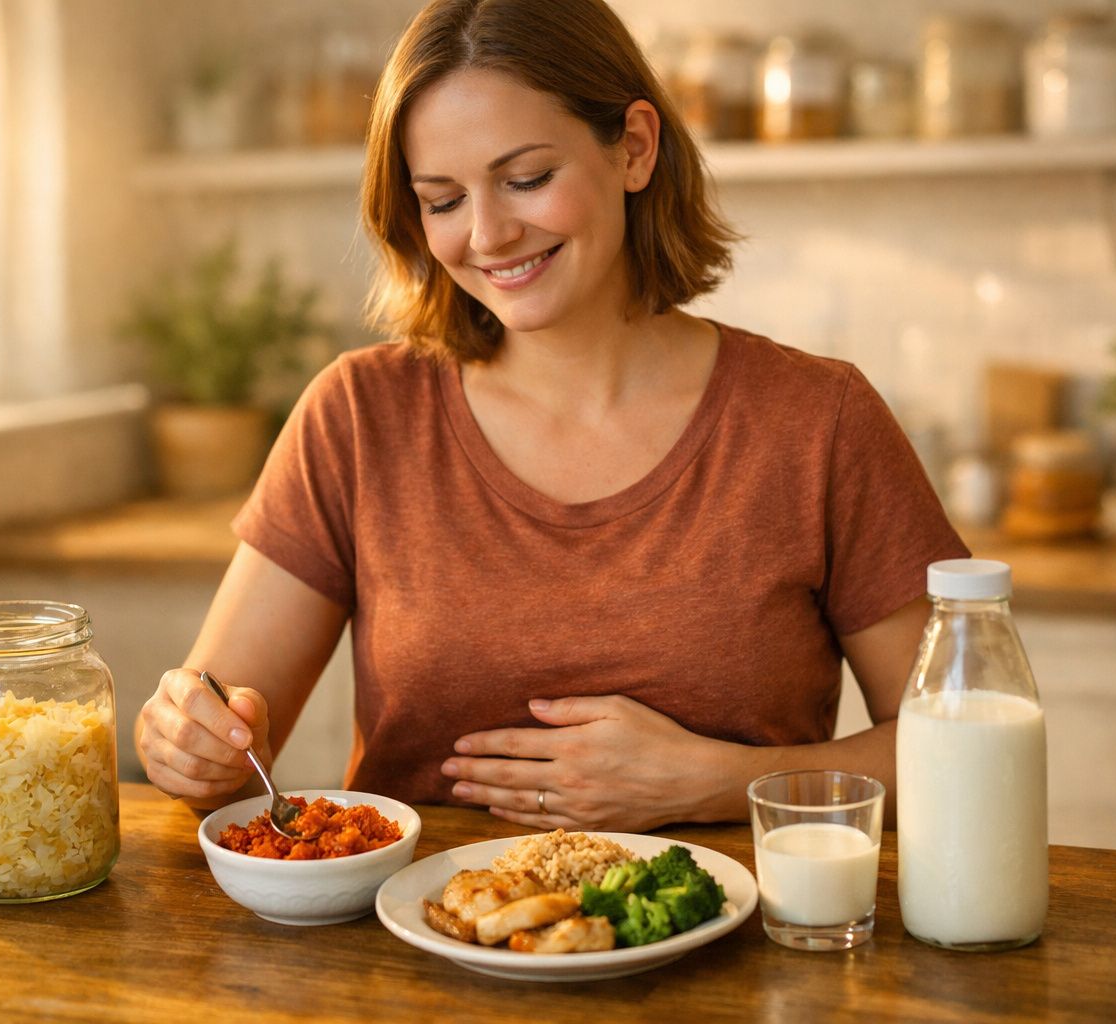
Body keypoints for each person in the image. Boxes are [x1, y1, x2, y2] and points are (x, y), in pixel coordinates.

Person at [134, 0, 968, 832]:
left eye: (527, 179)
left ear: (634, 148)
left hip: (742, 949)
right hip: (409, 951)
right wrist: (186, 744)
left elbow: (962, 747)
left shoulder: (817, 421)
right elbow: (218, 746)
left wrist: (715, 781)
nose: (488, 234)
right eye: (442, 199)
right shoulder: (358, 416)